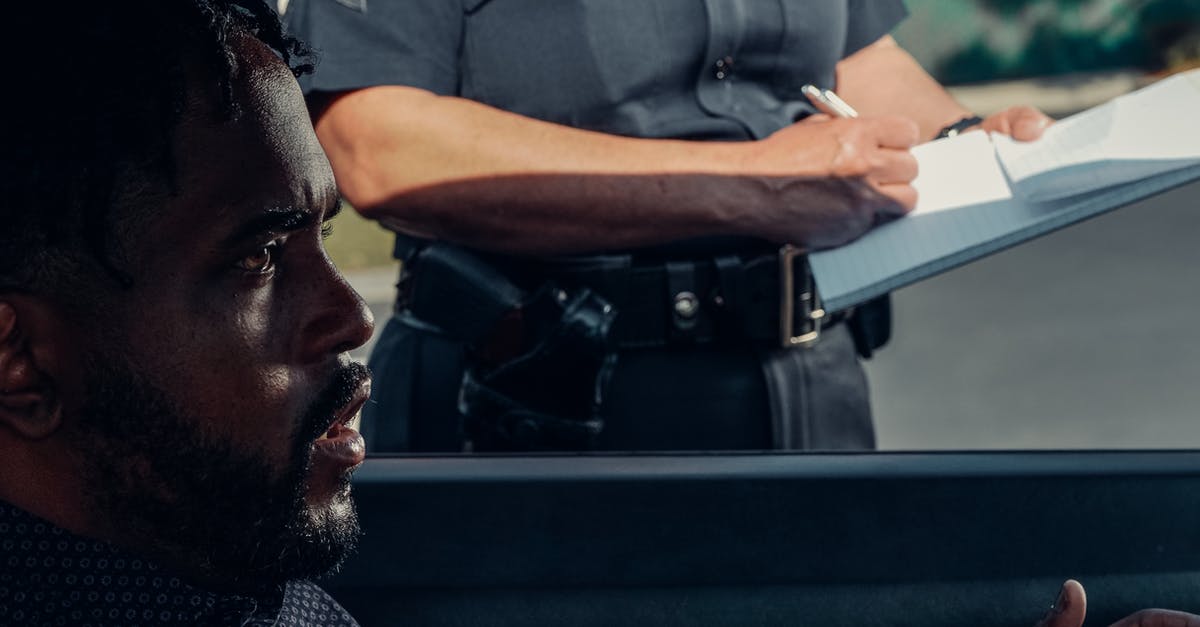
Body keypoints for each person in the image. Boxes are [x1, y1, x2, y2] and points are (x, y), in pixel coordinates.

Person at [284, 0, 1052, 454]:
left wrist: (972, 141)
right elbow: (375, 142)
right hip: (534, 406)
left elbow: (852, 54)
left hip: (812, 391)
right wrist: (753, 187)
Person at [0, 1, 374, 624]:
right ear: (21, 363)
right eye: (260, 258)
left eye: (323, 237)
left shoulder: (237, 582)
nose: (352, 316)